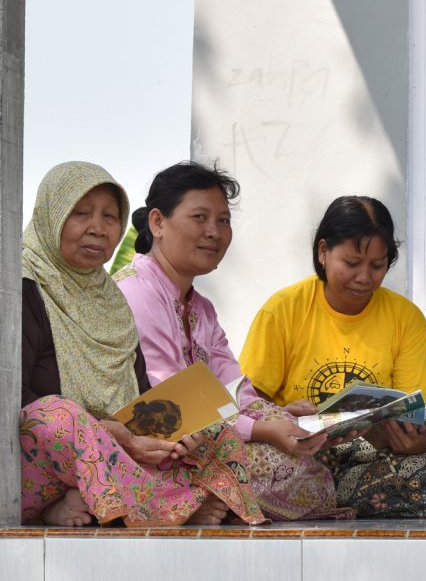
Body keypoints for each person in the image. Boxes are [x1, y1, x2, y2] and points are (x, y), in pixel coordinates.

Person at [19, 161, 264, 526]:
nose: (98, 229)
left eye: (109, 217)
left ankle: (95, 501)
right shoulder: (21, 288)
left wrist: (174, 434)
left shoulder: (110, 301)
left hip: (115, 453)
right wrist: (107, 433)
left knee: (213, 431)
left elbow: (139, 400)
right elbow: (13, 405)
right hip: (36, 464)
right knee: (58, 415)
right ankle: (167, 509)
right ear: (50, 217)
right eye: (81, 213)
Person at [115, 162, 352, 521]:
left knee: (302, 448)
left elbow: (233, 386)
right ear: (158, 223)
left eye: (223, 221)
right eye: (200, 217)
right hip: (153, 446)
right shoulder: (138, 290)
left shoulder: (201, 308)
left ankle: (219, 499)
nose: (214, 232)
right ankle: (189, 501)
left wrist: (282, 417)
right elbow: (173, 402)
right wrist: (263, 430)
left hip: (202, 434)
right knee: (290, 468)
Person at [238, 196, 426, 518]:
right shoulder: (283, 309)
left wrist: (416, 440)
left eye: (377, 265)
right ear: (323, 252)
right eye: (352, 263)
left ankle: (317, 503)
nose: (364, 277)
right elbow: (247, 404)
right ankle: (330, 501)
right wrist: (282, 415)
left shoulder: (406, 318)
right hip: (296, 456)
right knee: (258, 470)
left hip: (366, 461)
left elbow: (419, 414)